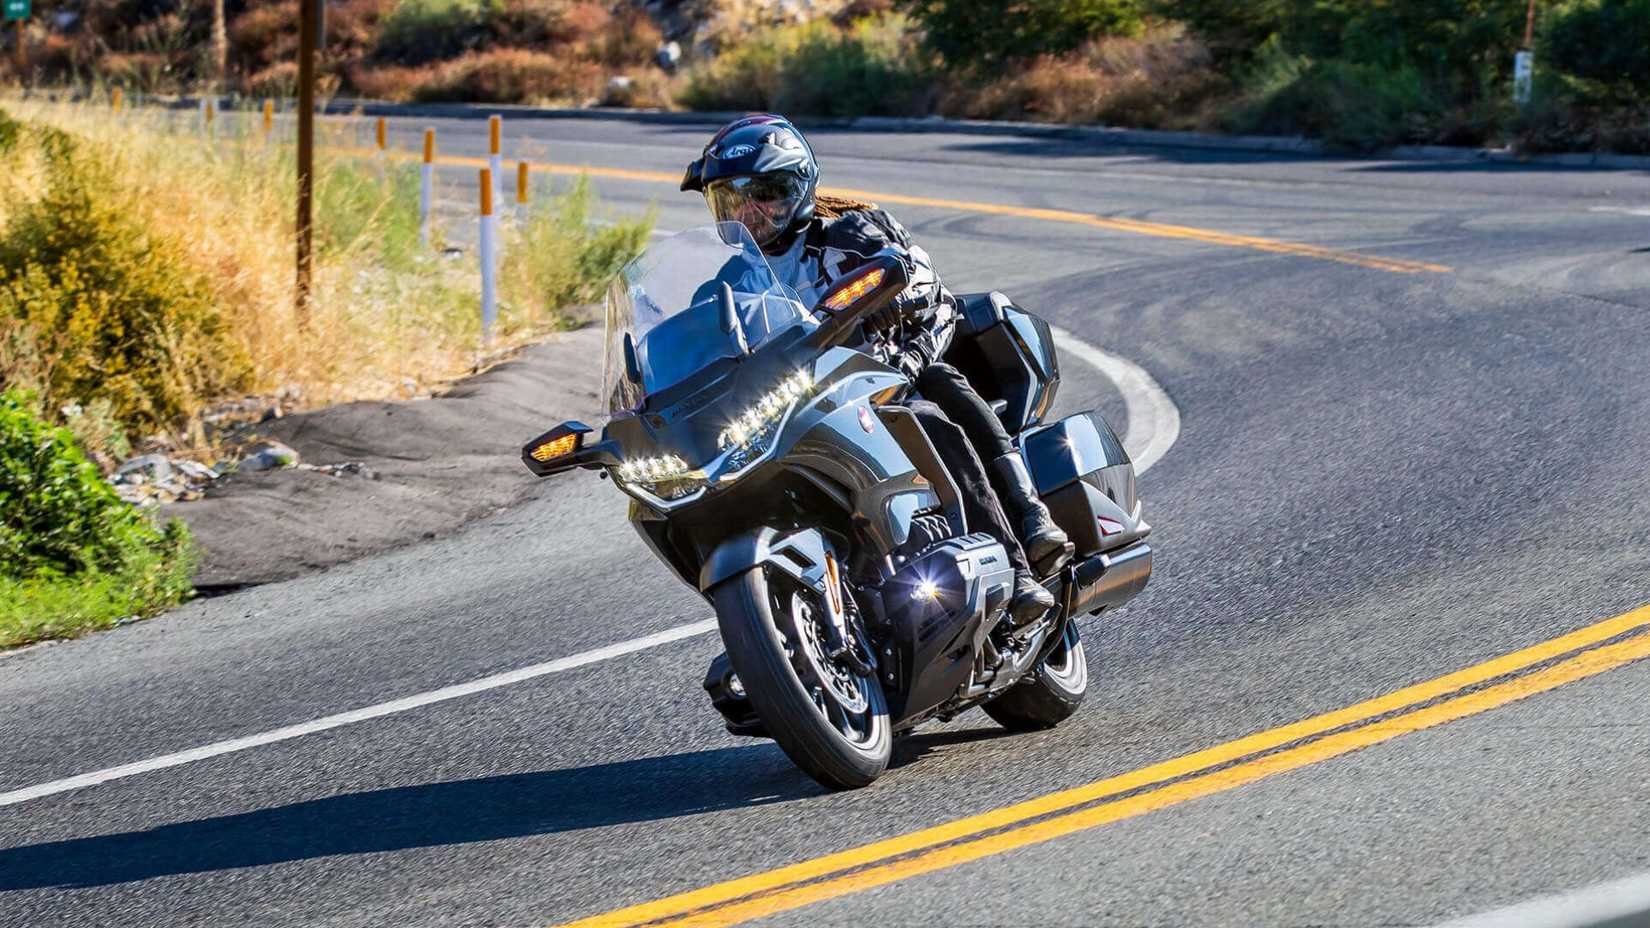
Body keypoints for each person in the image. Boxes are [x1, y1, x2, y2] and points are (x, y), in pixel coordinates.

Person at [680, 113, 1071, 625]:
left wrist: (903, 344)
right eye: (733, 199)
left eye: (767, 192)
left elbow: (929, 290)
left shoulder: (853, 230)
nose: (751, 211)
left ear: (799, 187)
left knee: (934, 400)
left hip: (888, 372)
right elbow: (697, 358)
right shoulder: (726, 286)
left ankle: (1022, 538)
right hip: (796, 408)